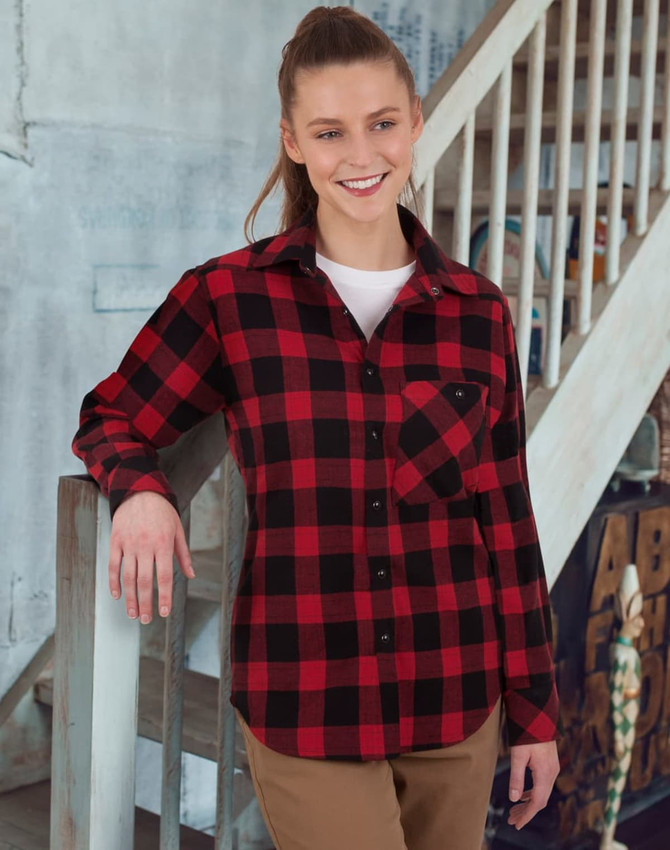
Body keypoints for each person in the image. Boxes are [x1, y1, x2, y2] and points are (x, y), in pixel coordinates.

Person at [71, 6, 561, 849]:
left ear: (414, 122)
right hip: (306, 700)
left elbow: (507, 524)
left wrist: (536, 712)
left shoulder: (480, 312)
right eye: (330, 132)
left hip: (457, 695)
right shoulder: (229, 298)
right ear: (294, 142)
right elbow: (112, 413)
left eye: (381, 124)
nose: (362, 155)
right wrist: (140, 492)